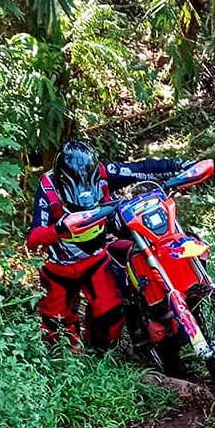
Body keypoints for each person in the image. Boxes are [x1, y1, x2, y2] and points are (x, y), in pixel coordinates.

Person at [27, 139, 189, 353]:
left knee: (111, 316)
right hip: (58, 268)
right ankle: (70, 349)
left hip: (96, 260)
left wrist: (180, 165)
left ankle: (97, 351)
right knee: (56, 330)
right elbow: (33, 239)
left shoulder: (103, 172)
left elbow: (140, 169)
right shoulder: (48, 189)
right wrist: (58, 229)